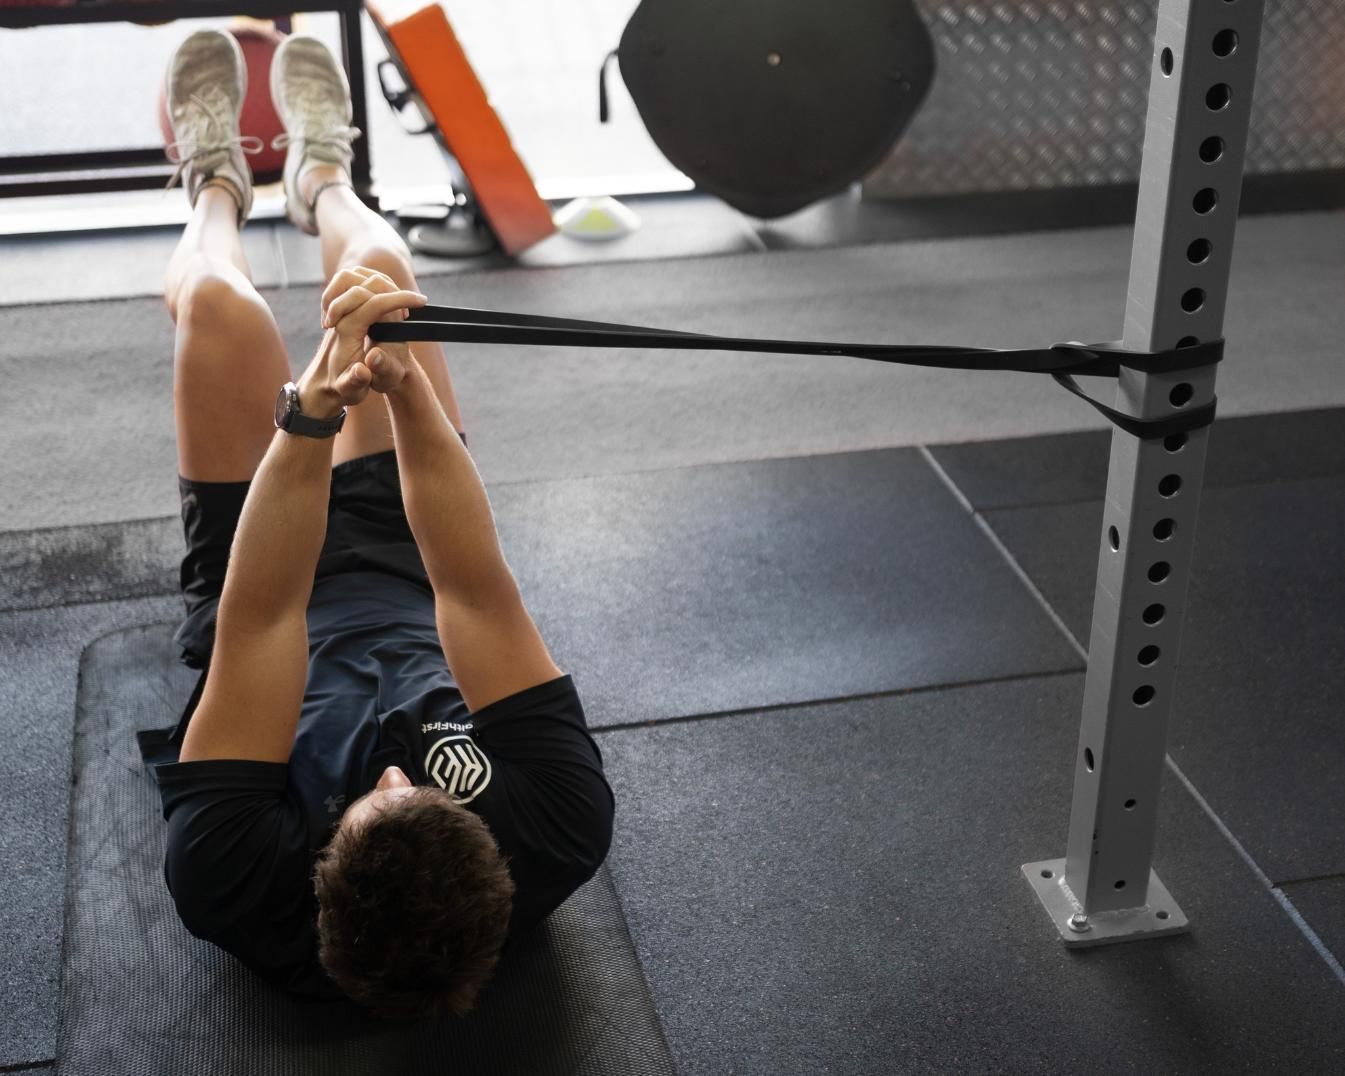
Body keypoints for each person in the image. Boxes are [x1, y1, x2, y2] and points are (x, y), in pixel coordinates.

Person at [138, 28, 614, 1020]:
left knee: (223, 310)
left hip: (263, 586)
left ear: (319, 866)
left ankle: (212, 184)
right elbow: (471, 584)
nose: (393, 762)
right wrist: (400, 390)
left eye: (374, 792)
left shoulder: (232, 874)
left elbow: (263, 613)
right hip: (404, 566)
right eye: (422, 787)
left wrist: (310, 418)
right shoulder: (555, 824)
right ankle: (324, 177)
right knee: (387, 277)